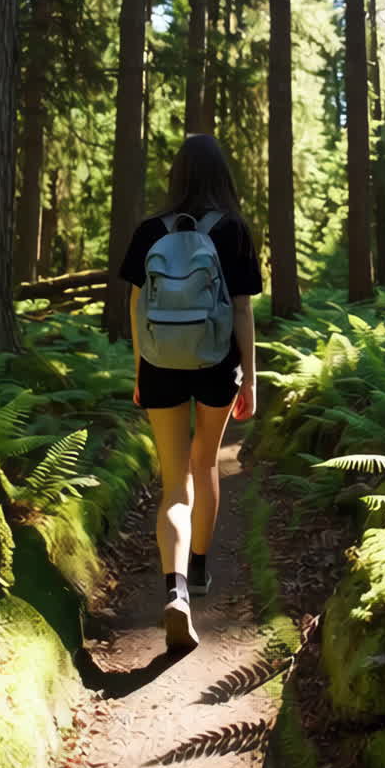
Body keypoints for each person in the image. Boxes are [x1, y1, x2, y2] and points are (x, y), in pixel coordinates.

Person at [119, 133, 262, 652]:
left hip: (160, 364)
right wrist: (251, 375)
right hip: (216, 362)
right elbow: (243, 310)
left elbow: (137, 306)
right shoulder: (234, 230)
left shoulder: (150, 230)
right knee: (206, 464)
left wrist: (140, 369)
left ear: (177, 176)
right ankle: (199, 569)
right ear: (221, 176)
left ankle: (173, 589)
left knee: (174, 485)